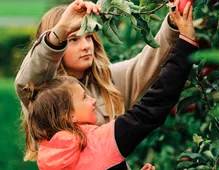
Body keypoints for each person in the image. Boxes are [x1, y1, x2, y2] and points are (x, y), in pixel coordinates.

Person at [23, 1, 198, 169]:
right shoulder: (45, 96)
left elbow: (150, 62)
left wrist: (173, 23)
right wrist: (60, 32)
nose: (85, 46)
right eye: (73, 39)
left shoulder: (110, 82)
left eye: (89, 36)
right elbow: (28, 80)